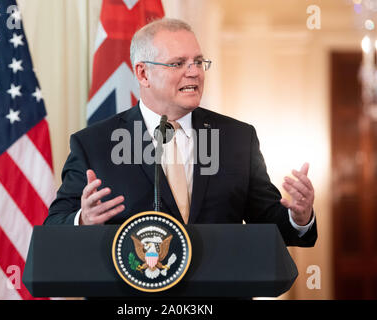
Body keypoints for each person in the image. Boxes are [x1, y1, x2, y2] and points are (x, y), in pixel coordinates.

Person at [44, 18, 317, 247]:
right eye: (178, 64)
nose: (194, 72)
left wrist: (300, 217)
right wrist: (83, 220)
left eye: (198, 62)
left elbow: (270, 224)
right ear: (143, 74)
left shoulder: (237, 139)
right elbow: (54, 228)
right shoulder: (94, 144)